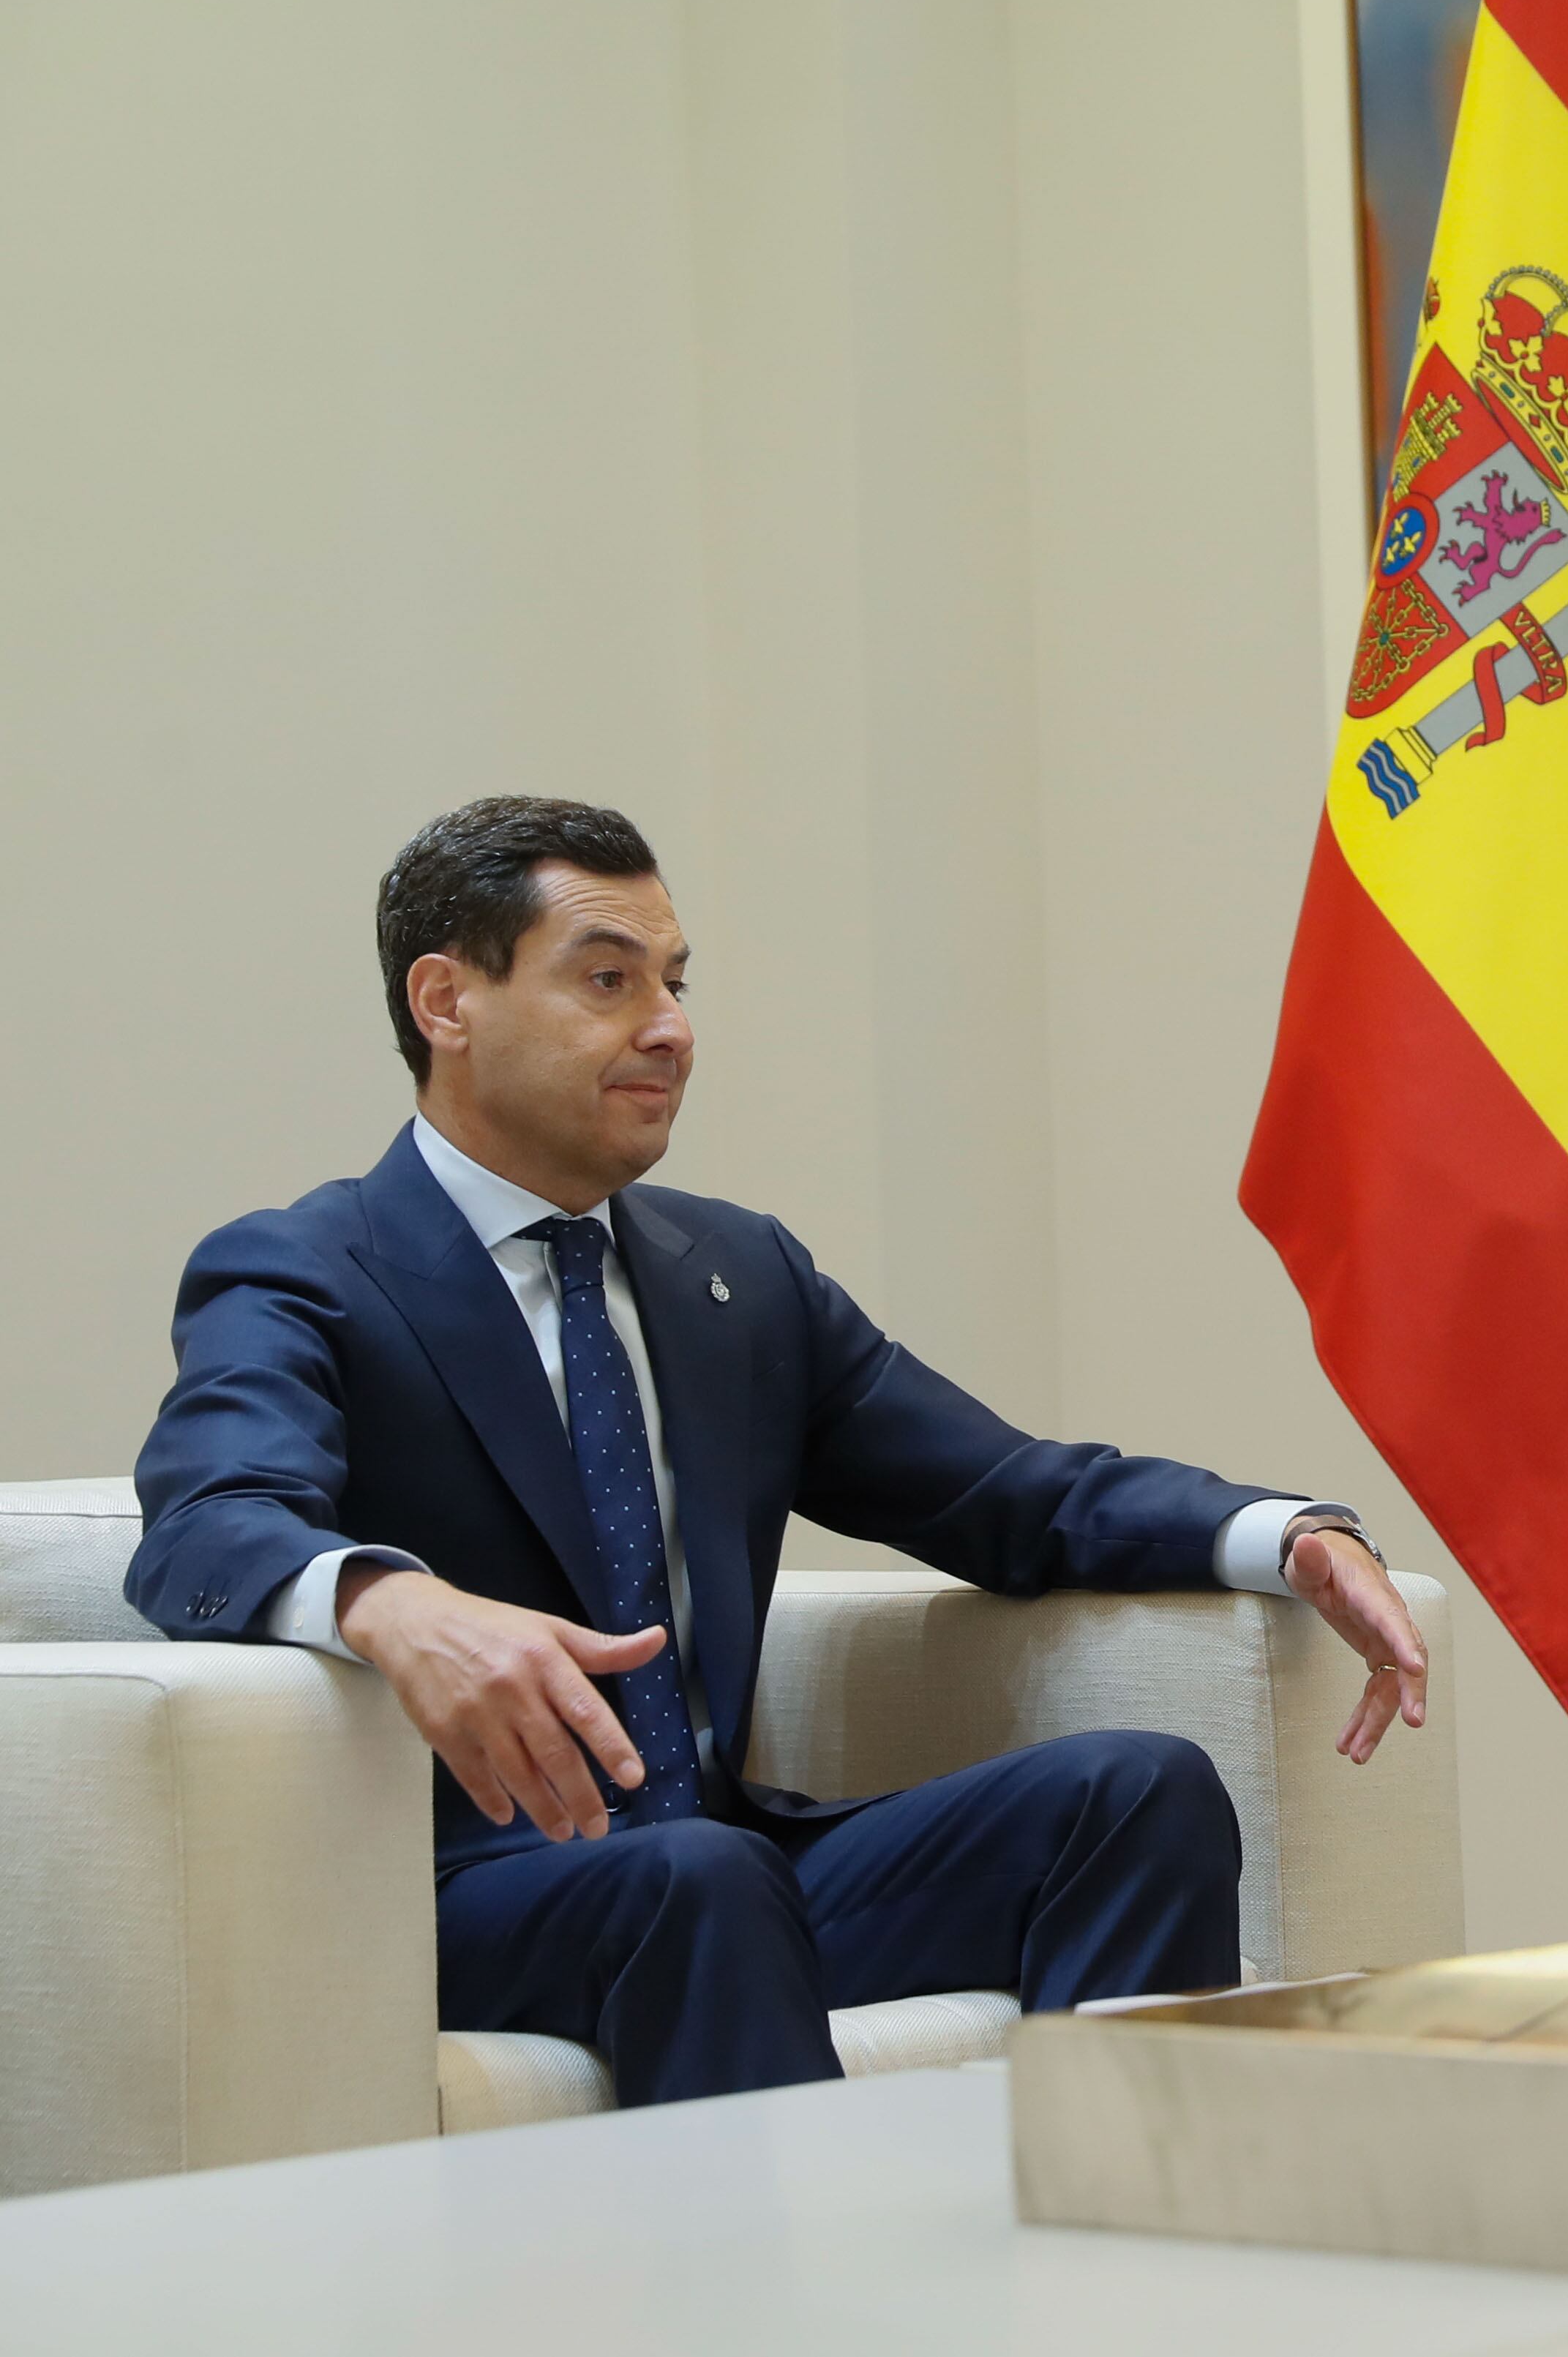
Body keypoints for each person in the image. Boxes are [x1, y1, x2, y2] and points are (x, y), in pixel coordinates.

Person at [129, 797, 1429, 2103]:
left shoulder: (734, 1276)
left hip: (719, 1864)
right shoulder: (305, 1268)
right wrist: (391, 1600)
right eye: (606, 979)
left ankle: (1121, 2260)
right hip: (455, 1894)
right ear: (446, 1000)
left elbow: (1000, 1489)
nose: (670, 1027)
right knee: (696, 1876)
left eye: (676, 982)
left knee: (1134, 1791)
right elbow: (207, 1520)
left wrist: (1282, 1534)